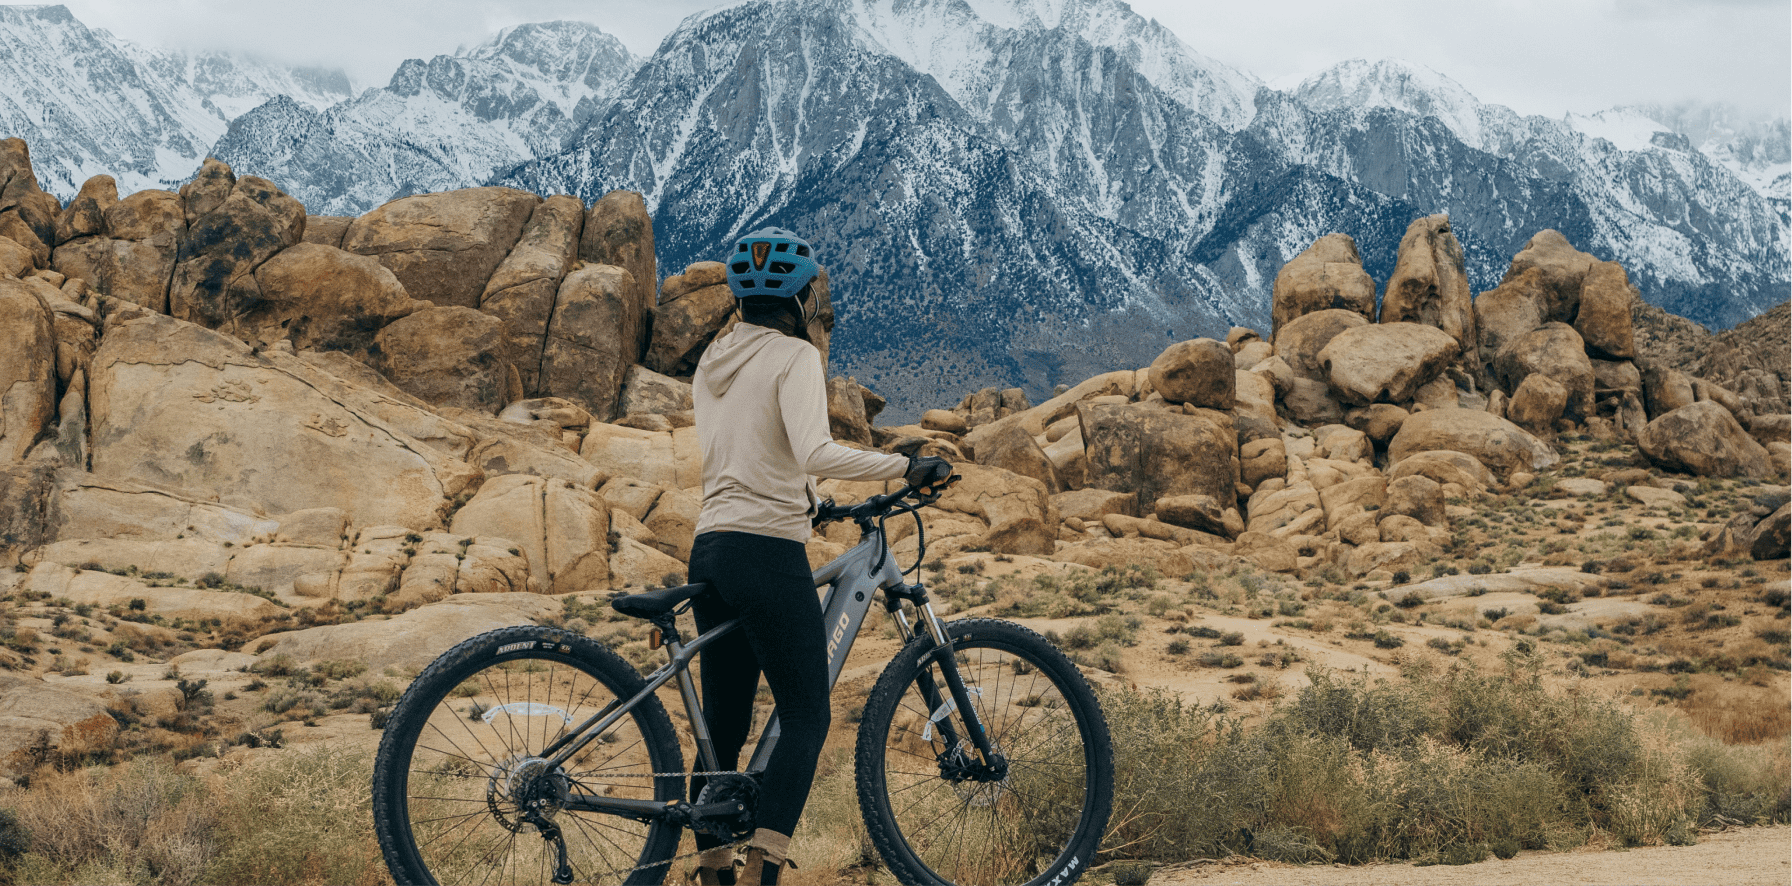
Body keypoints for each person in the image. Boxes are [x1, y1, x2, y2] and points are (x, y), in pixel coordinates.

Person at [685, 227, 950, 885]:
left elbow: (753, 453)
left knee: (723, 726)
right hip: (764, 554)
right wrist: (904, 466)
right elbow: (811, 450)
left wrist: (813, 506)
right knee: (806, 714)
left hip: (711, 549)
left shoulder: (715, 359)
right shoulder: (795, 356)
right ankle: (762, 872)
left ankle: (714, 870)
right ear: (801, 299)